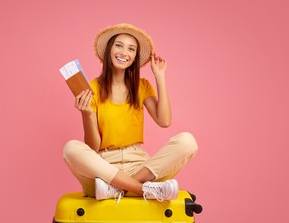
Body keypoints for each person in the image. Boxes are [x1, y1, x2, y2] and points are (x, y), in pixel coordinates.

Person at [63, 23, 198, 203]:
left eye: (131, 49)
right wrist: (87, 114)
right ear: (109, 50)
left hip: (139, 166)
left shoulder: (142, 86)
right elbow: (93, 148)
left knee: (187, 141)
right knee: (71, 148)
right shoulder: (92, 89)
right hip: (103, 169)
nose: (124, 52)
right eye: (119, 45)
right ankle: (142, 189)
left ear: (135, 57)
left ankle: (117, 189)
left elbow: (164, 121)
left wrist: (160, 77)